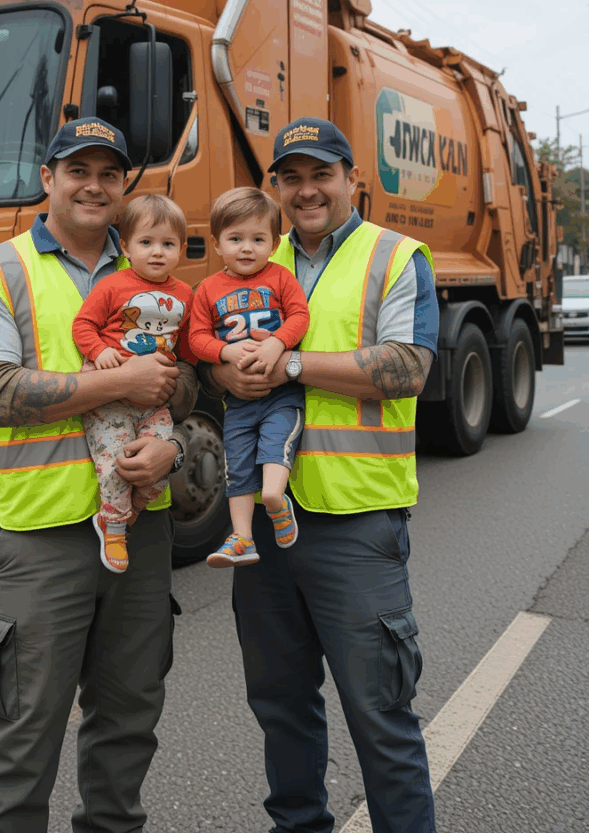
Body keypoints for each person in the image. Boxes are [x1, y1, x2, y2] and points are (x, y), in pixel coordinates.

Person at [0, 116, 197, 833]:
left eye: (109, 173)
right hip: (38, 537)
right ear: (47, 179)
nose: (94, 185)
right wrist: (115, 388)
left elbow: (183, 389)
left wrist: (172, 451)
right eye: (78, 170)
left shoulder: (156, 267)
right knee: (23, 739)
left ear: (124, 187)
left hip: (139, 531)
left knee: (128, 726)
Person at [202, 117, 440, 832]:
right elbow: (205, 349)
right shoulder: (250, 255)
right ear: (275, 187)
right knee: (280, 708)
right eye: (291, 177)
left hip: (356, 522)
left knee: (380, 717)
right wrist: (222, 371)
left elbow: (409, 369)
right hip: (269, 536)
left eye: (321, 174)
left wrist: (293, 364)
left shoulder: (394, 258)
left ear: (350, 179)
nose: (306, 190)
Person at [72, 193, 195, 573]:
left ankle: (131, 511)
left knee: (156, 468)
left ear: (181, 249)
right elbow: (83, 325)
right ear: (125, 247)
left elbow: (187, 351)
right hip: (108, 393)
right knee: (115, 464)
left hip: (154, 399)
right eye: (146, 242)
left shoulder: (186, 294)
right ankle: (112, 525)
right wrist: (98, 352)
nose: (157, 252)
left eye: (168, 244)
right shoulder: (112, 286)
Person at [188, 187, 309, 567]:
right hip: (237, 403)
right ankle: (242, 537)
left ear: (274, 243)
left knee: (275, 451)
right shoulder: (207, 289)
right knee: (236, 466)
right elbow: (196, 338)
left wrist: (277, 344)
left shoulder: (280, 277)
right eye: (235, 238)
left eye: (258, 239)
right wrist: (224, 352)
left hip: (281, 397)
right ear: (216, 243)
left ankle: (276, 502)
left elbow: (300, 317)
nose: (246, 248)